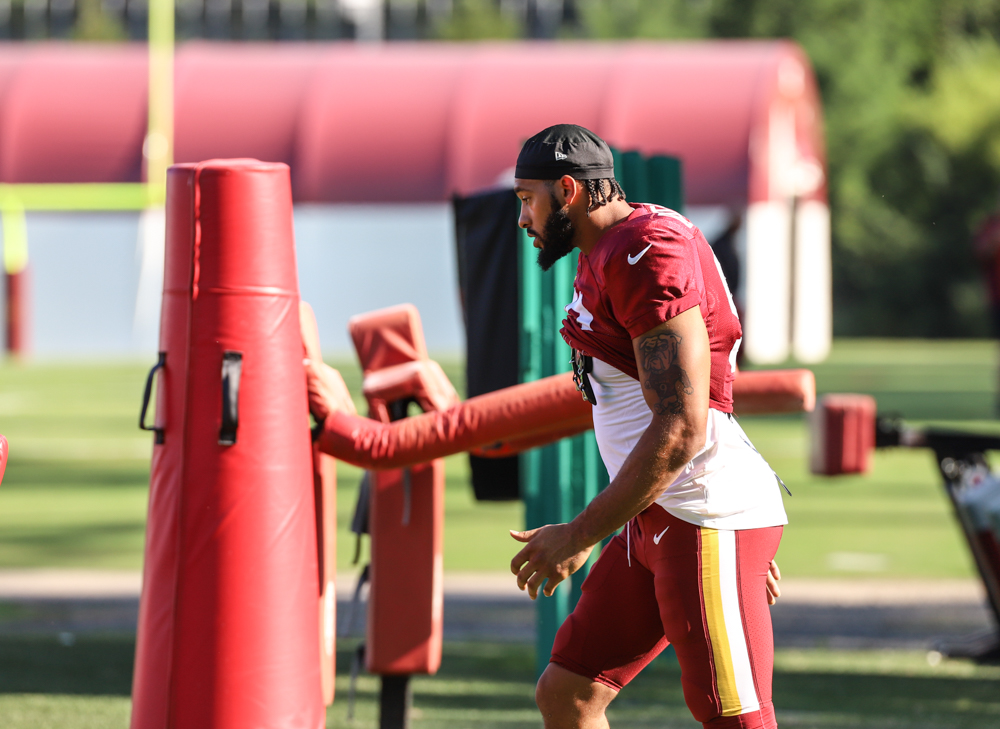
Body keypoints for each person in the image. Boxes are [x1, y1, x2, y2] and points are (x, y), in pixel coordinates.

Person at [508, 124, 786, 729]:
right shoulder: (614, 245)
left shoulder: (646, 251)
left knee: (734, 717)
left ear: (568, 191)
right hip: (657, 513)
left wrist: (581, 533)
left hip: (702, 515)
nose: (523, 217)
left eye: (527, 199)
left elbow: (683, 422)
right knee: (569, 694)